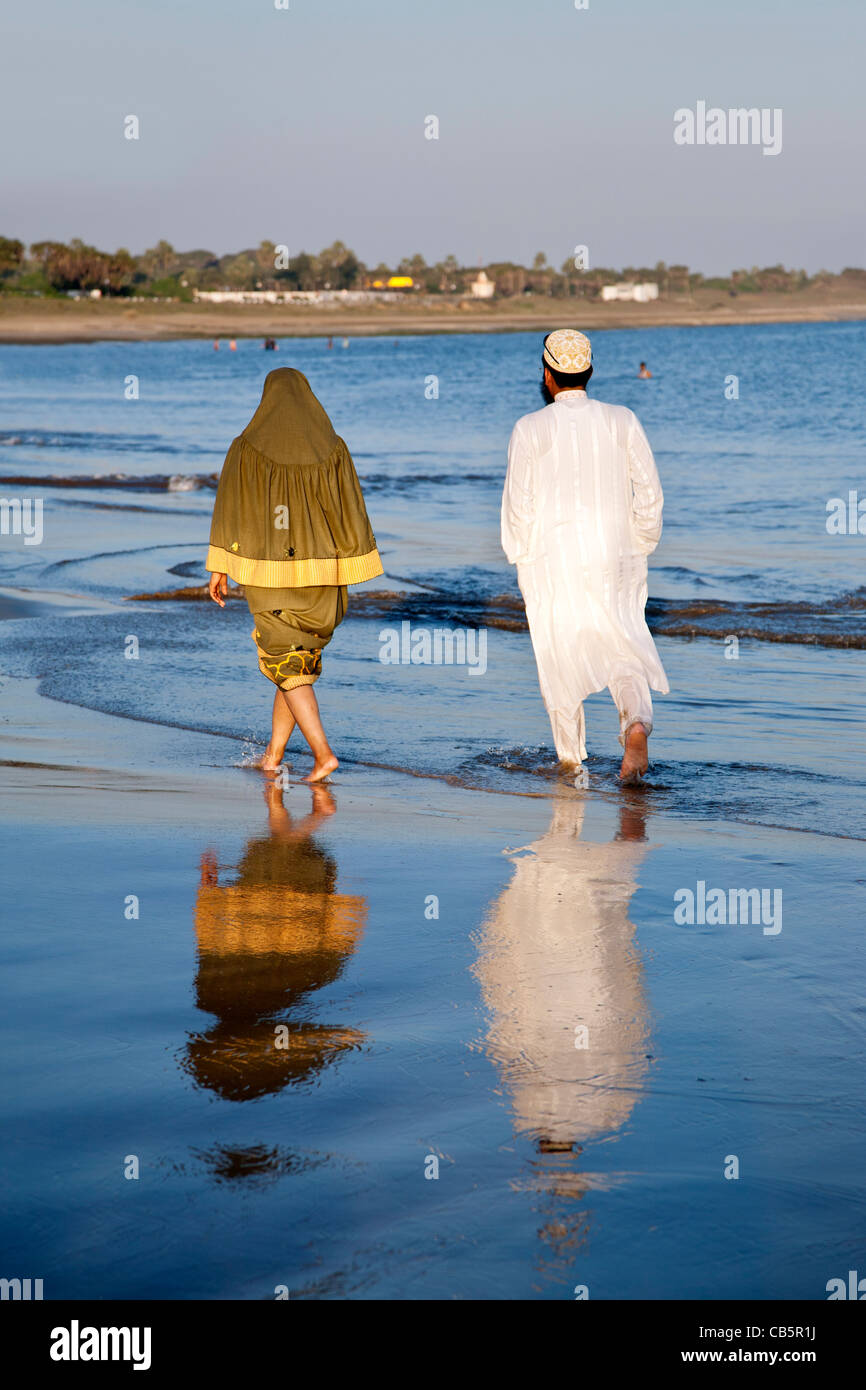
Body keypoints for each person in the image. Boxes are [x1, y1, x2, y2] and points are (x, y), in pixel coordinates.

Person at [501, 330, 668, 784]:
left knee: (558, 658)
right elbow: (650, 492)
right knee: (623, 646)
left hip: (552, 561)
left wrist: (521, 557)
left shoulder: (529, 428)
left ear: (547, 376)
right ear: (589, 372)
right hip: (616, 555)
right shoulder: (623, 420)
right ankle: (635, 723)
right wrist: (641, 542)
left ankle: (572, 761)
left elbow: (519, 506)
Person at [207, 368, 383, 781]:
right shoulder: (335, 449)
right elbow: (351, 509)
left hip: (272, 579)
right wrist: (355, 563)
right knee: (295, 665)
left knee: (286, 667)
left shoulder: (245, 448)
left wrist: (220, 565)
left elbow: (228, 507)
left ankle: (324, 755)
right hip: (324, 581)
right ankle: (273, 756)